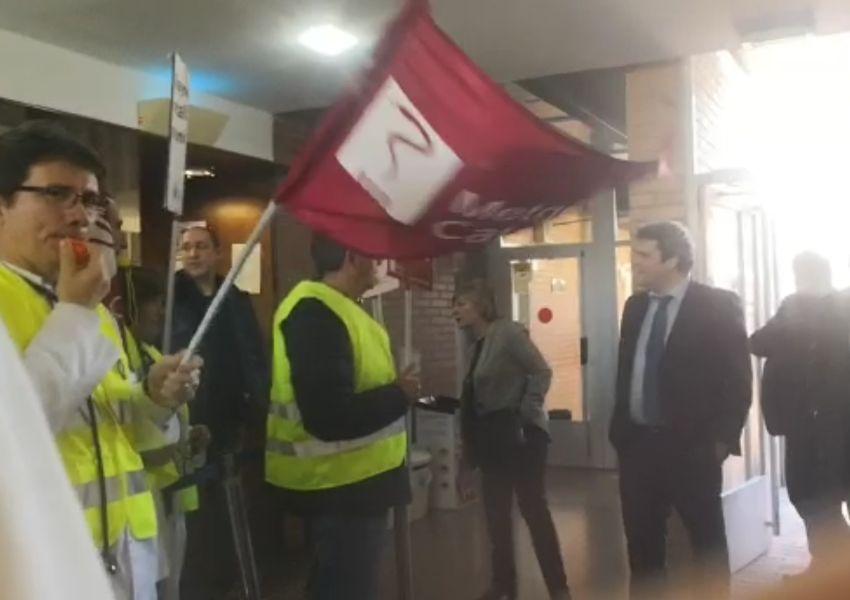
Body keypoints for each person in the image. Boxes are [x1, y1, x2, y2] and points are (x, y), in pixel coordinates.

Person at [0, 120, 201, 600]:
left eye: (90, 200)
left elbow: (118, 432)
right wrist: (74, 312)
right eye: (57, 194)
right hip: (44, 569)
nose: (80, 216)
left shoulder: (93, 310)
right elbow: (13, 435)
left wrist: (155, 399)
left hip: (128, 556)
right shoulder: (70, 306)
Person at [265, 233, 419, 600]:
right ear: (352, 256)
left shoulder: (340, 307)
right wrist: (399, 395)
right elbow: (329, 416)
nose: (379, 263)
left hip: (353, 486)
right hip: (339, 488)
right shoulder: (314, 313)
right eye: (373, 254)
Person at [609, 221, 752, 598]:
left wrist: (719, 443)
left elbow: (736, 383)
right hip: (638, 448)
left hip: (692, 451)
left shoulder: (717, 305)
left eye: (643, 254)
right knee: (642, 549)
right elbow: (629, 372)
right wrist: (620, 433)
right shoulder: (635, 306)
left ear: (672, 259)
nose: (633, 262)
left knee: (705, 547)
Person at [452, 279, 571, 600]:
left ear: (481, 305)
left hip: (521, 436)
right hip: (493, 439)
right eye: (454, 305)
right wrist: (468, 454)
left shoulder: (506, 333)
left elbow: (541, 371)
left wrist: (526, 410)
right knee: (496, 515)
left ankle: (558, 588)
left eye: (462, 303)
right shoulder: (476, 345)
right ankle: (504, 586)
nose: (455, 310)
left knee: (534, 510)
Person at [171, 224, 268, 599]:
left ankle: (228, 580)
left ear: (216, 252)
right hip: (188, 421)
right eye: (186, 248)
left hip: (231, 419)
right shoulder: (171, 299)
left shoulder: (235, 299)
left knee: (229, 507)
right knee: (194, 515)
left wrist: (258, 408)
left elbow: (252, 355)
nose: (193, 254)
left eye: (200, 247)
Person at [0, 317, 114, 600]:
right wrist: (74, 314)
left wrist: (155, 402)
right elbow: (20, 436)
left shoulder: (99, 312)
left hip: (118, 537)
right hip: (58, 549)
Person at [750, 252, 850, 572]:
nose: (798, 281)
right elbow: (758, 343)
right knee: (805, 492)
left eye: (802, 274)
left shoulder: (843, 306)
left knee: (831, 489)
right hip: (802, 422)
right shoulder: (792, 308)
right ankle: (829, 561)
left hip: (841, 421)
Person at [119, 265, 210, 600]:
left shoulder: (154, 355)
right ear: (129, 306)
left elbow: (168, 420)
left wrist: (190, 436)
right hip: (144, 496)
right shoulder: (122, 356)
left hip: (171, 491)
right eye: (154, 302)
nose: (161, 311)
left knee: (171, 587)